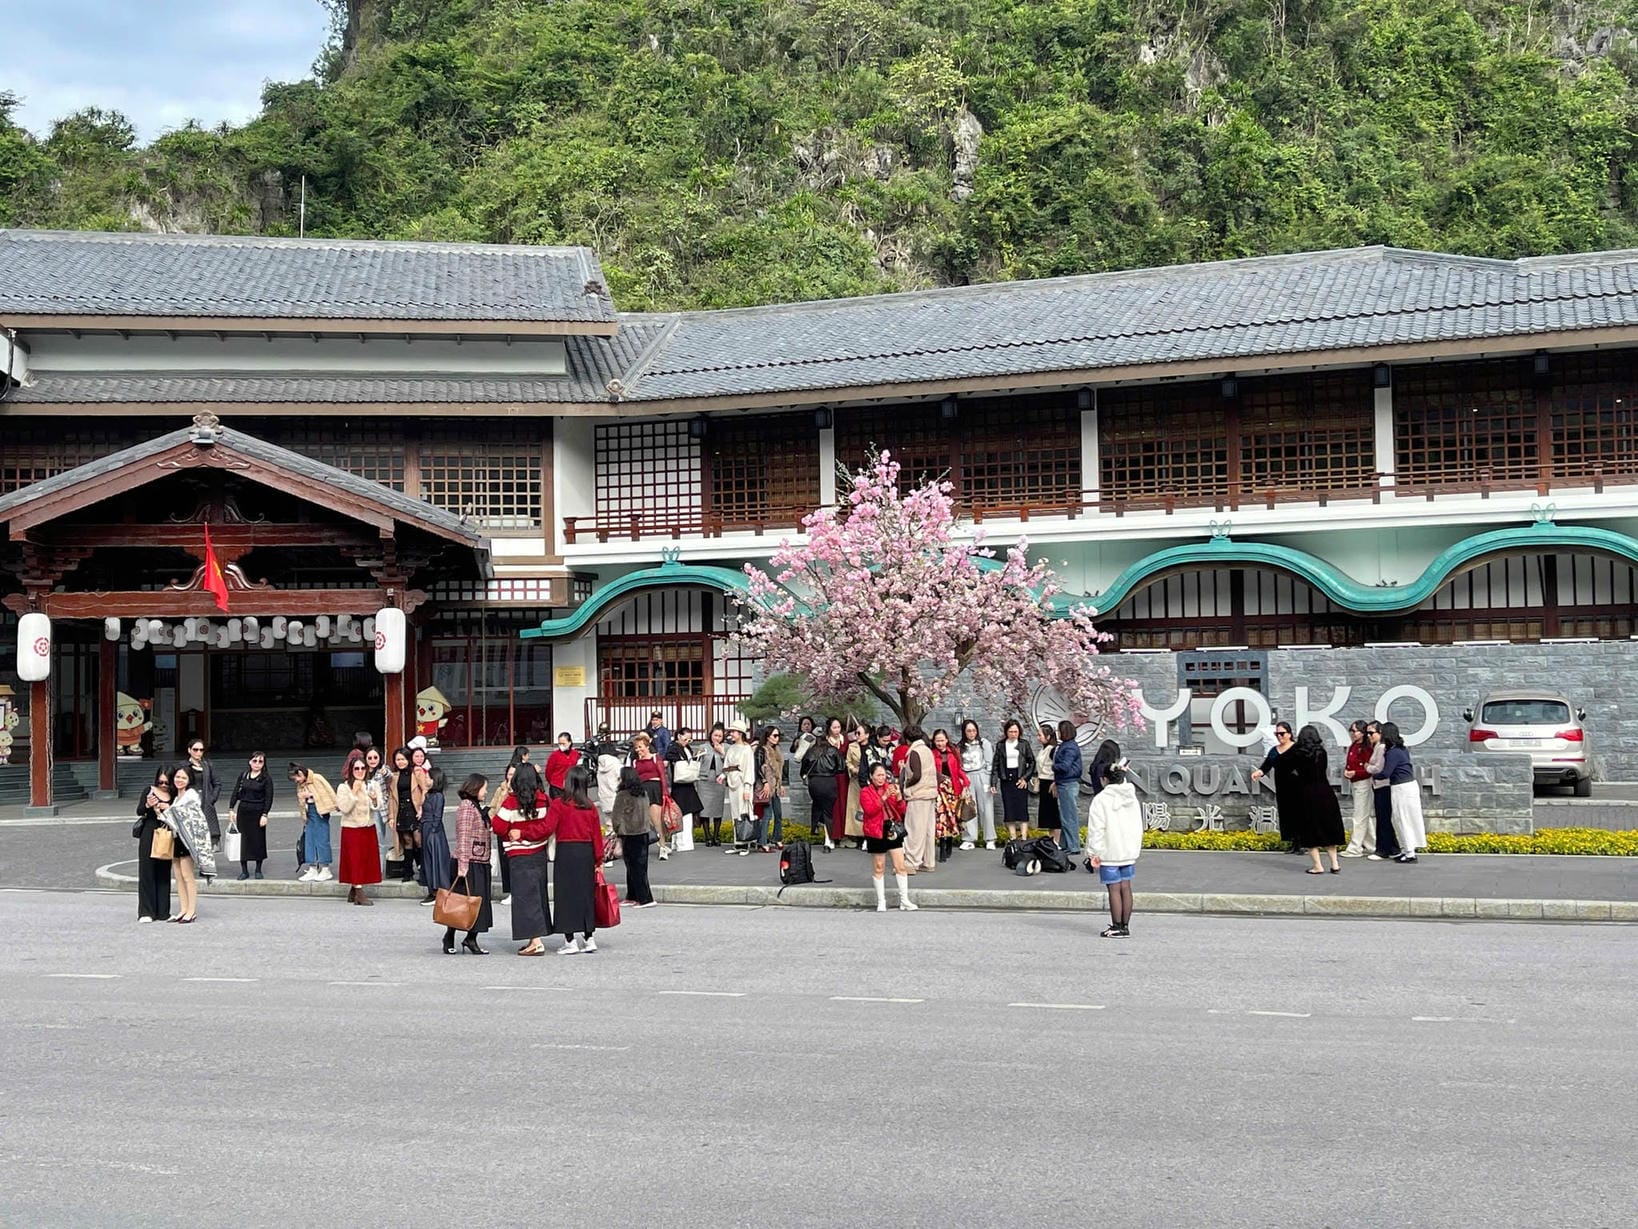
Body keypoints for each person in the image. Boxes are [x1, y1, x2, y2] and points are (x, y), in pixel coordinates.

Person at [542, 766, 606, 954]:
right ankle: (589, 937)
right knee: (586, 895)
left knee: (566, 895)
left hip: (566, 851)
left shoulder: (559, 804)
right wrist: (599, 860)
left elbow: (547, 828)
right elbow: (597, 836)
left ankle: (570, 940)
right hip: (586, 852)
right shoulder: (590, 806)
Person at [492, 763, 552, 956]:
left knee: (525, 898)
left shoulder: (511, 802)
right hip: (539, 853)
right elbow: (547, 828)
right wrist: (529, 833)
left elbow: (498, 826)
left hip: (519, 855)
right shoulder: (544, 800)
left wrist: (518, 832)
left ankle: (535, 941)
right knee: (538, 894)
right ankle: (535, 937)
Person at [1275, 726, 1346, 875]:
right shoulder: (1322, 752)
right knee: (1328, 827)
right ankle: (1335, 864)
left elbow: (1282, 763)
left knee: (1309, 830)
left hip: (1306, 793)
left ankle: (1318, 865)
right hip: (1325, 791)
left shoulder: (1297, 753)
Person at [1087, 764, 1142, 937]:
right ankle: (1125, 926)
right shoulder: (1131, 797)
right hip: (1128, 850)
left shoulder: (1101, 799)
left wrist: (1093, 852)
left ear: (1105, 779)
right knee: (1126, 887)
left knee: (1114, 889)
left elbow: (1096, 829)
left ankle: (1117, 926)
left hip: (1110, 850)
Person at [446, 773, 494, 955]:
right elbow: (464, 837)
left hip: (480, 860)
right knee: (460, 904)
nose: (486, 792)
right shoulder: (467, 807)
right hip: (469, 862)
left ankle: (471, 938)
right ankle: (450, 936)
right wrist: (463, 865)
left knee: (477, 904)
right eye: (484, 788)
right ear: (475, 788)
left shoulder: (476, 806)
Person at [860, 761, 916, 912]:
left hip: (891, 828)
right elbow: (870, 810)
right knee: (879, 867)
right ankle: (881, 900)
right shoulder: (865, 792)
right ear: (871, 776)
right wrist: (884, 797)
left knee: (900, 865)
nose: (881, 778)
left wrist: (898, 797)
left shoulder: (890, 788)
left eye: (883, 775)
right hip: (876, 830)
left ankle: (904, 900)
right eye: (878, 775)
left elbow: (901, 810)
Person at [166, 764, 216, 922]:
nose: (179, 780)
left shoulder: (191, 795)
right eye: (177, 777)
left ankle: (191, 910)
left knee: (187, 876)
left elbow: (190, 817)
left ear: (189, 780)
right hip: (177, 838)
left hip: (188, 840)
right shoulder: (176, 796)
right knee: (178, 876)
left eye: (183, 777)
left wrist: (166, 811)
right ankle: (183, 908)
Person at [1374, 722, 1426, 863]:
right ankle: (1406, 849)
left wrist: (1373, 774)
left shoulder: (1392, 752)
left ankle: (1410, 853)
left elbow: (1386, 773)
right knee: (1403, 818)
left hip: (1401, 787)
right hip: (1408, 785)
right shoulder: (1402, 749)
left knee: (1403, 818)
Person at [335, 751, 383, 905]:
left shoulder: (372, 784)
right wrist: (354, 793)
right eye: (357, 769)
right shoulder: (344, 787)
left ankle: (353, 889)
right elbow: (344, 808)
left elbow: (378, 806)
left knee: (365, 859)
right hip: (351, 828)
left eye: (363, 768)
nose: (360, 771)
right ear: (351, 770)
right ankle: (359, 891)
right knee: (354, 859)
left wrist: (374, 800)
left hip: (368, 826)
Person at [612, 767, 656, 908]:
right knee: (639, 867)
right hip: (643, 833)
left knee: (634, 868)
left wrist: (617, 830)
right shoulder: (642, 793)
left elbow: (616, 817)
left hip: (629, 833)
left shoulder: (623, 795)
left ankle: (645, 899)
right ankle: (632, 896)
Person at [1251, 722, 1298, 852]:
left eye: (1282, 733)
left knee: (1298, 814)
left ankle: (1300, 842)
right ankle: (1291, 842)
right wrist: (1258, 773)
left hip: (1297, 786)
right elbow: (1266, 766)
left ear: (1289, 734)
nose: (1279, 736)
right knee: (1286, 813)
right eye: (1277, 734)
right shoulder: (1274, 750)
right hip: (1282, 786)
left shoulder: (1297, 749)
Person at [133, 771, 173, 923]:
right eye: (160, 782)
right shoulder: (148, 791)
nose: (163, 785)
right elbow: (139, 811)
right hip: (149, 832)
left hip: (166, 833)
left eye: (166, 783)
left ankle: (163, 912)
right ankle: (146, 911)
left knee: (164, 872)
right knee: (147, 871)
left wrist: (168, 806)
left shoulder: (174, 795)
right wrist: (147, 805)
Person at [227, 752, 273, 881]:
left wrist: (265, 814)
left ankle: (258, 869)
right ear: (249, 762)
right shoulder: (243, 775)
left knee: (258, 840)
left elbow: (269, 798)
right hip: (244, 811)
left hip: (258, 811)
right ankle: (244, 870)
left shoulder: (266, 778)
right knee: (243, 841)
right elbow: (236, 792)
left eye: (260, 761)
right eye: (255, 761)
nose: (257, 764)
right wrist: (231, 808)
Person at [288, 762, 336, 883]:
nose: (296, 781)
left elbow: (329, 793)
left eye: (296, 778)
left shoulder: (317, 778)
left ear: (300, 773)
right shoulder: (301, 785)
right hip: (309, 814)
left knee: (322, 840)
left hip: (320, 811)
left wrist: (310, 795)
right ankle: (312, 868)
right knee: (309, 840)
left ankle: (325, 868)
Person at [899, 726, 938, 874]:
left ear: (907, 738)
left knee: (914, 829)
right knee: (928, 830)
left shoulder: (914, 752)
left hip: (918, 794)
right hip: (930, 794)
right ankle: (928, 862)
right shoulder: (927, 750)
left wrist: (906, 786)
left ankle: (911, 862)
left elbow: (916, 775)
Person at [930, 728, 971, 862]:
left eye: (942, 740)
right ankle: (942, 846)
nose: (940, 743)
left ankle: (949, 843)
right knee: (941, 819)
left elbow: (958, 769)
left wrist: (965, 781)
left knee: (951, 818)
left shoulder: (953, 753)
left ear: (946, 740)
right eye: (937, 741)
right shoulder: (932, 754)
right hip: (939, 790)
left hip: (952, 790)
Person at [992, 719, 1035, 843]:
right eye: (1011, 732)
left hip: (1020, 776)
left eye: (1016, 732)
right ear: (1006, 732)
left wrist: (1025, 778)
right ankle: (1012, 837)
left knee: (1022, 808)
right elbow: (995, 764)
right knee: (1009, 808)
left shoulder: (1024, 744)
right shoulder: (1001, 745)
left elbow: (1032, 762)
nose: (1013, 734)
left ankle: (1024, 836)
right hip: (1006, 778)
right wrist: (993, 782)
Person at [957, 719, 996, 850]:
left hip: (982, 775)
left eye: (974, 730)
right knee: (969, 807)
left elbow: (990, 762)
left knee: (986, 807)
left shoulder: (984, 743)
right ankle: (969, 838)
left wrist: (989, 780)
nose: (971, 733)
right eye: (968, 731)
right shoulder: (960, 746)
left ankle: (989, 838)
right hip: (967, 777)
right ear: (964, 732)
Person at [419, 765, 454, 905]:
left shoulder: (438, 796)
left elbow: (437, 816)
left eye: (428, 777)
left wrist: (433, 832)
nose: (426, 778)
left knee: (435, 860)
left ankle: (437, 890)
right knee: (428, 860)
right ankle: (431, 889)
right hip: (426, 827)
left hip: (434, 831)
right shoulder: (428, 794)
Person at [721, 718, 756, 855]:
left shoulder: (747, 749)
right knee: (735, 812)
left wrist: (747, 787)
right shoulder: (731, 748)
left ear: (740, 733)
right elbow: (728, 766)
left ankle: (746, 843)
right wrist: (723, 775)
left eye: (734, 731)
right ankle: (738, 842)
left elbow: (748, 769)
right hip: (733, 783)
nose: (732, 734)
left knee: (744, 812)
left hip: (742, 784)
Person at [804, 727, 844, 850]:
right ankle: (828, 840)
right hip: (829, 781)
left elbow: (803, 769)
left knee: (817, 804)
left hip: (814, 782)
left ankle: (815, 825)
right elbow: (841, 767)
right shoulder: (833, 751)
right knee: (828, 811)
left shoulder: (810, 752)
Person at [1340, 720, 1375, 857]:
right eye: (1352, 730)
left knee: (1359, 816)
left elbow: (1369, 768)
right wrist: (1348, 771)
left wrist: (1356, 773)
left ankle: (1355, 847)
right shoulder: (1354, 745)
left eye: (1356, 731)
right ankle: (1372, 844)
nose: (1353, 733)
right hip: (1355, 782)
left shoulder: (1367, 748)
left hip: (1364, 782)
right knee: (1364, 815)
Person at [665, 727, 703, 850]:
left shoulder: (686, 748)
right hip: (679, 784)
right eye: (685, 738)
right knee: (682, 814)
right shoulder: (673, 747)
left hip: (687, 782)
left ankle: (683, 842)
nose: (687, 741)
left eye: (689, 739)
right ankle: (681, 843)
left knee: (687, 814)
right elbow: (669, 758)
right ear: (678, 736)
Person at [1365, 722, 1399, 861]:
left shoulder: (1382, 747)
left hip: (1384, 786)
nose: (1369, 736)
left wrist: (1367, 767)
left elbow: (1379, 768)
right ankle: (1393, 848)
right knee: (1383, 818)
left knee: (1383, 818)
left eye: (1371, 733)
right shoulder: (1377, 747)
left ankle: (1382, 850)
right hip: (1378, 785)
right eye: (1367, 733)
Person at [183, 738, 223, 847]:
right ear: (189, 750)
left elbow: (217, 783)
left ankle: (205, 861)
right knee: (190, 833)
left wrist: (212, 798)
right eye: (195, 749)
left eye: (201, 750)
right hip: (189, 803)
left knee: (207, 834)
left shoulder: (208, 765)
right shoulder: (183, 766)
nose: (198, 752)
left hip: (205, 802)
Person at [1052, 720, 1084, 854]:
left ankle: (1073, 846)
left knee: (1069, 816)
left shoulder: (1069, 747)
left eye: (1059, 731)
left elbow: (1065, 766)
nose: (1057, 733)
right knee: (1065, 816)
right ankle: (1065, 845)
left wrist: (1053, 767)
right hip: (1064, 783)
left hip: (1068, 783)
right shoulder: (1066, 745)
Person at [695, 724, 728, 847]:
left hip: (719, 780)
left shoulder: (727, 747)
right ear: (711, 735)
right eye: (715, 735)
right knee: (705, 809)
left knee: (717, 809)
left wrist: (722, 752)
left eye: (720, 736)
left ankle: (716, 836)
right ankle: (707, 836)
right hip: (704, 780)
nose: (717, 738)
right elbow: (697, 762)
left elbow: (730, 763)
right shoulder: (703, 747)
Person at [753, 725, 785, 852]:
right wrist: (765, 782)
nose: (777, 738)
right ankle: (762, 842)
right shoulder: (761, 750)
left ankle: (777, 838)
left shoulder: (777, 750)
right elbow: (758, 767)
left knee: (778, 814)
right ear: (767, 736)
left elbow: (780, 771)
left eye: (778, 736)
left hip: (775, 786)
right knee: (767, 815)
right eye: (775, 736)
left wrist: (781, 784)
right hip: (765, 786)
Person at [389, 747, 419, 883]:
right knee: (407, 840)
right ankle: (408, 871)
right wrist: (391, 816)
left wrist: (422, 809)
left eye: (403, 759)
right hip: (401, 809)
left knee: (418, 839)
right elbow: (391, 797)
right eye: (398, 759)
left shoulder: (416, 773)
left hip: (414, 809)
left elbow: (425, 790)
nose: (400, 762)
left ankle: (422, 867)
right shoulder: (394, 777)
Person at [364, 746, 394, 872]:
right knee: (365, 841)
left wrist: (384, 772)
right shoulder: (362, 770)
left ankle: (378, 869)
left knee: (378, 840)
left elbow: (390, 776)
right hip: (364, 809)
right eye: (369, 758)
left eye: (375, 757)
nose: (372, 760)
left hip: (378, 809)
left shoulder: (383, 769)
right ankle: (366, 867)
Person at [1035, 723, 1058, 837]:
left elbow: (1057, 767)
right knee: (1047, 814)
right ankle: (1051, 838)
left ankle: (1056, 840)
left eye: (1040, 735)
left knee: (1053, 813)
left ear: (1048, 736)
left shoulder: (1053, 750)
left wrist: (1055, 782)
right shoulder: (1043, 749)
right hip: (1043, 782)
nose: (1038, 737)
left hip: (1050, 782)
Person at [543, 732, 580, 800]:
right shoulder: (555, 755)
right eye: (560, 744)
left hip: (571, 785)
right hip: (557, 786)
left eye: (563, 743)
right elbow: (548, 771)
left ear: (569, 742)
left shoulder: (575, 754)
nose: (561, 745)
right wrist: (552, 782)